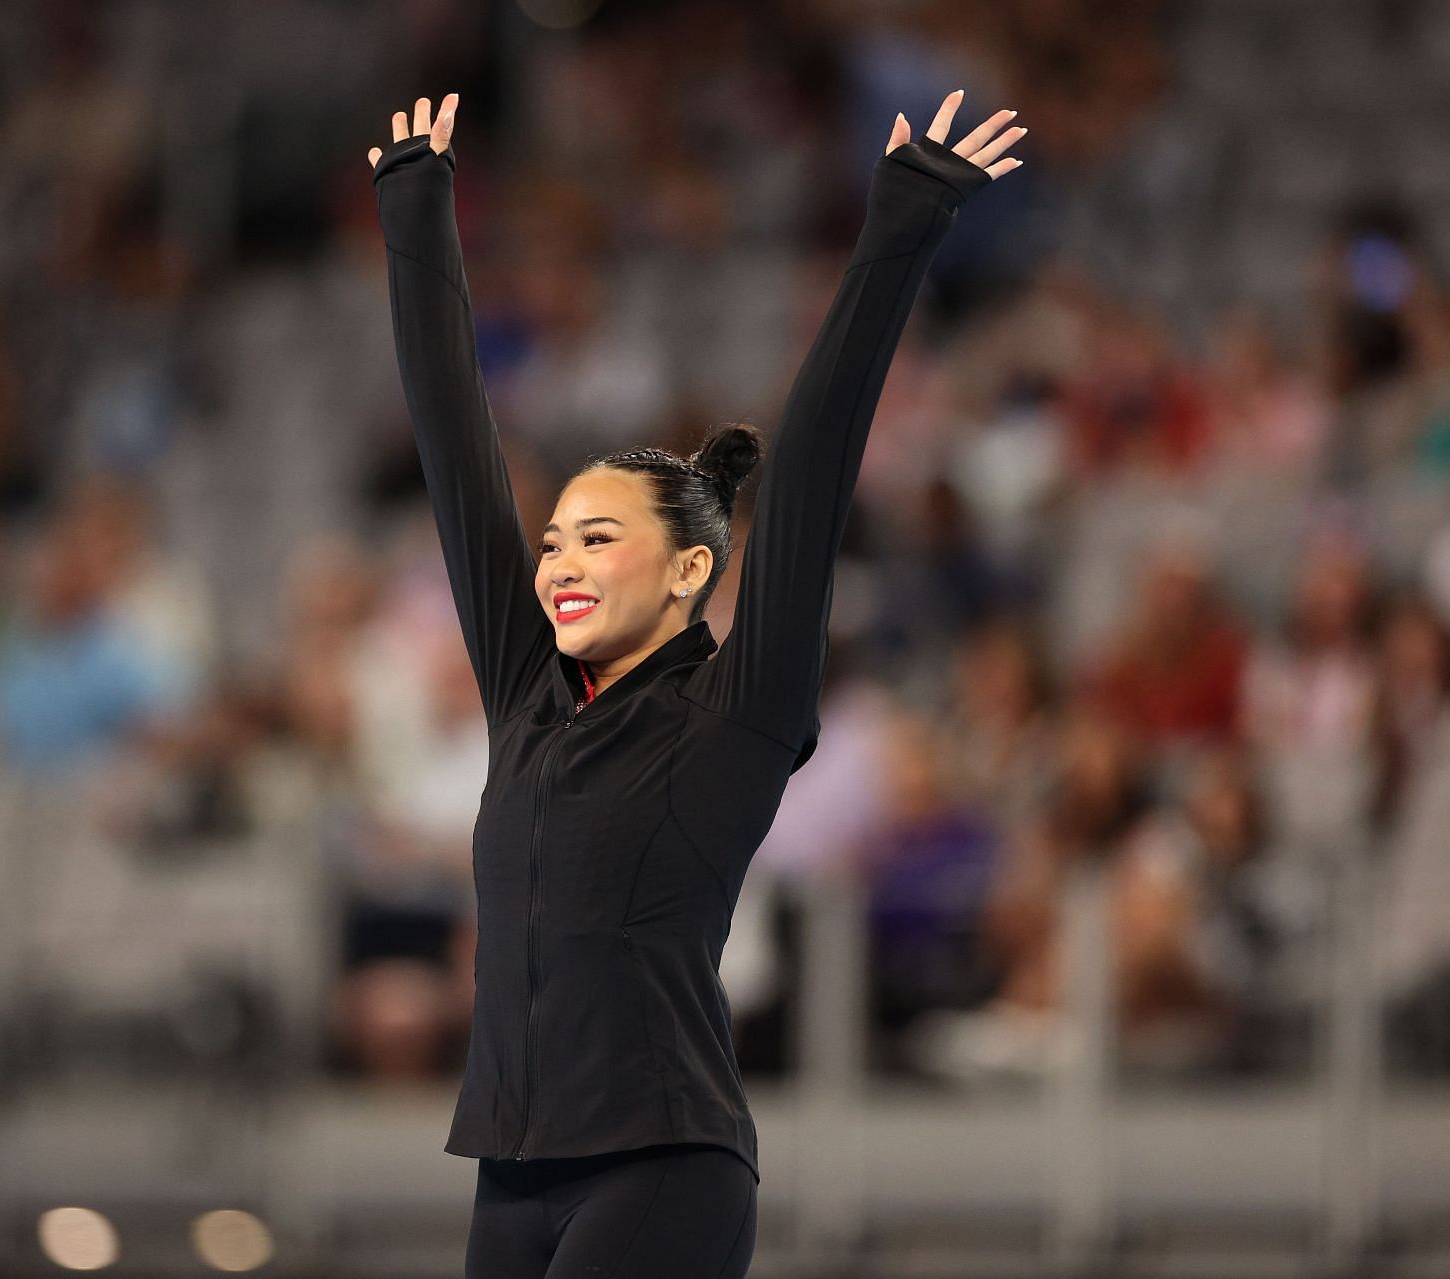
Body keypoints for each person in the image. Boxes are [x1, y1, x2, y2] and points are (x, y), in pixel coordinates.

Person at [368, 88, 1020, 1278]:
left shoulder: (734, 712)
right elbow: (457, 454)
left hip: (661, 1169)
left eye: (596, 539)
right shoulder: (527, 702)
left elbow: (814, 465)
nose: (557, 561)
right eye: (555, 539)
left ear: (689, 571)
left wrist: (902, 222)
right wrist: (417, 209)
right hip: (508, 1175)